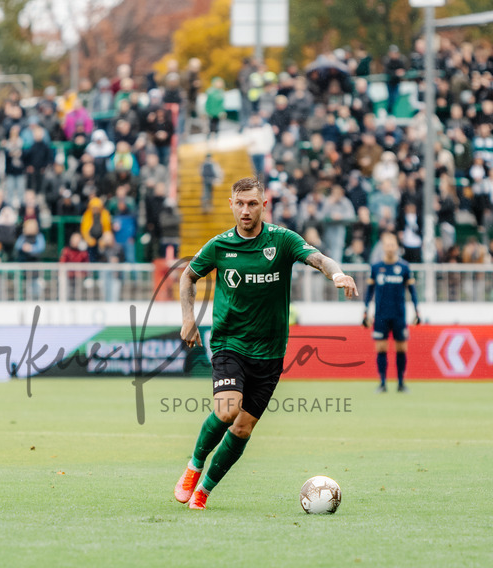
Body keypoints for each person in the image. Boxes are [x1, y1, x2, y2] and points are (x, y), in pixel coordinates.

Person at [175, 176, 358, 510]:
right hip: (231, 342)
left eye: (253, 204)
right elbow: (188, 275)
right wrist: (188, 317)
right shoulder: (220, 246)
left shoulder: (283, 240)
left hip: (271, 352)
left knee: (243, 429)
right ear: (231, 204)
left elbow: (319, 258)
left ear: (264, 204)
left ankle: (204, 490)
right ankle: (194, 465)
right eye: (240, 204)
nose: (246, 211)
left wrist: (337, 274)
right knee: (228, 409)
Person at [363, 231, 420, 393]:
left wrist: (417, 310)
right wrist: (365, 311)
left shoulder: (404, 267)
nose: (389, 247)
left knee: (401, 348)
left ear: (396, 246)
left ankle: (401, 383)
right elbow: (369, 292)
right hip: (381, 315)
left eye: (392, 244)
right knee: (381, 348)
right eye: (387, 245)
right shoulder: (376, 267)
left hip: (399, 315)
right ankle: (382, 383)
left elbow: (412, 291)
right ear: (383, 247)